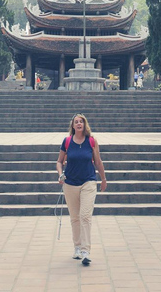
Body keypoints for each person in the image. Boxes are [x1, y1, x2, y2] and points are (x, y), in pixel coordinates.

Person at [56, 113, 107, 266]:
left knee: (85, 216)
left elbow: (97, 162)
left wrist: (103, 179)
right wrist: (60, 175)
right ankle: (77, 247)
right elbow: (59, 162)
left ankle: (85, 251)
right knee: (75, 217)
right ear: (72, 126)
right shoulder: (67, 141)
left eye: (81, 122)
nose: (79, 124)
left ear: (85, 125)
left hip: (88, 182)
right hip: (70, 183)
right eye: (76, 122)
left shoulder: (91, 141)